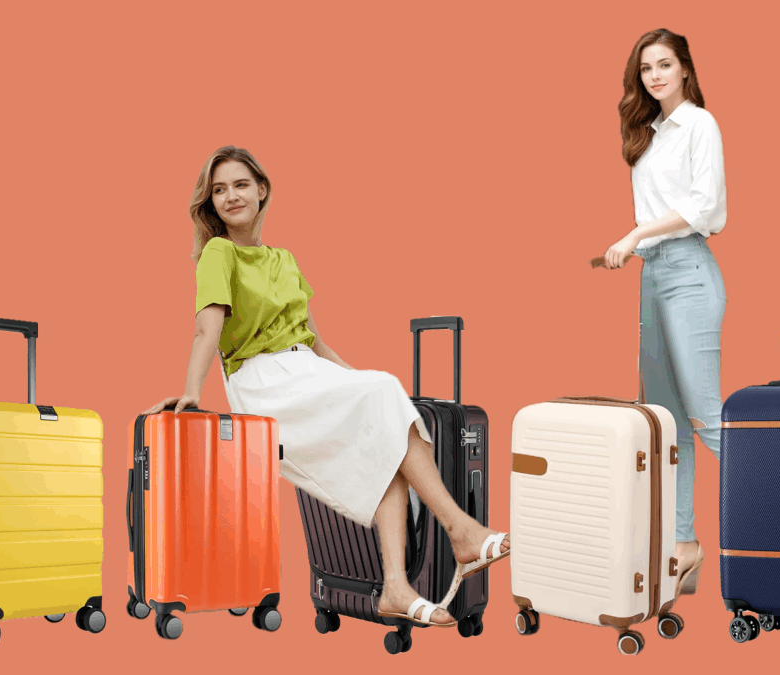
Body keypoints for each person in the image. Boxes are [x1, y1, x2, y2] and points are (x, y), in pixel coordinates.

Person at [144, 145, 509, 627]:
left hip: (306, 371)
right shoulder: (219, 253)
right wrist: (192, 390)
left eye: (239, 184)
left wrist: (359, 384)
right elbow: (206, 328)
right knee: (383, 396)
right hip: (264, 381)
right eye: (218, 190)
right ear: (210, 203)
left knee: (384, 418)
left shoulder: (285, 259)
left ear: (262, 190)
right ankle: (460, 531)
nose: (230, 196)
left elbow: (315, 340)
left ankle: (396, 588)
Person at [600, 28, 727, 595]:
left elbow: (704, 206)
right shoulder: (647, 133)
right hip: (654, 275)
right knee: (666, 421)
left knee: (707, 417)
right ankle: (684, 545)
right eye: (646, 67)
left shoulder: (699, 125)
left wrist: (633, 234)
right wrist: (637, 247)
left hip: (690, 273)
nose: (654, 76)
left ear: (684, 69)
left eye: (664, 65)